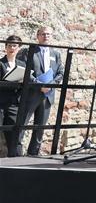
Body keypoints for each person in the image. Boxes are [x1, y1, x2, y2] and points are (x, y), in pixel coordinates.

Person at [17, 26, 63, 156]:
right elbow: (23, 69)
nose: (46, 36)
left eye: (48, 34)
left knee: (40, 128)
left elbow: (60, 72)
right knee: (22, 124)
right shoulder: (28, 51)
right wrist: (39, 85)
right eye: (43, 34)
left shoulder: (56, 54)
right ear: (37, 36)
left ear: (52, 36)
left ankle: (33, 153)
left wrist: (51, 85)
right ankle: (16, 153)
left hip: (48, 95)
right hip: (32, 94)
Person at [1, 35, 25, 157]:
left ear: (19, 48)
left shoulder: (22, 64)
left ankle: (15, 160)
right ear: (5, 47)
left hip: (14, 103)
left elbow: (27, 82)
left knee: (15, 133)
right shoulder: (1, 63)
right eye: (9, 45)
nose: (11, 48)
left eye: (14, 45)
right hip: (0, 102)